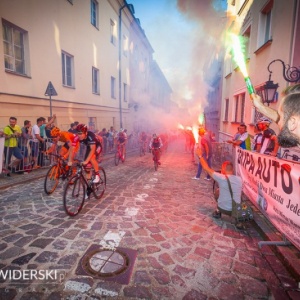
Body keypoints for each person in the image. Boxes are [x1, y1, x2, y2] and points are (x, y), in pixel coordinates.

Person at [195, 147, 243, 228]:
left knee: (217, 191)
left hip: (223, 209)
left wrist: (200, 155)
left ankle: (218, 212)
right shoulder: (239, 179)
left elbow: (206, 168)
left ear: (223, 168)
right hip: (235, 209)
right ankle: (237, 217)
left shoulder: (221, 178)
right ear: (232, 169)